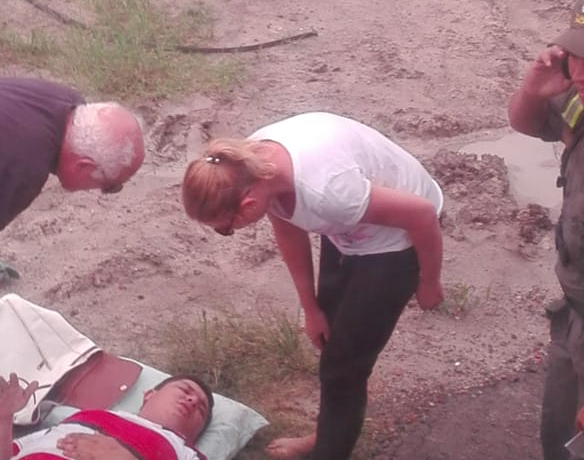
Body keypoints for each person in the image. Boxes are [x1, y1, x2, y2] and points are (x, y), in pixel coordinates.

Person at [181, 111, 444, 460]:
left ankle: (329, 451)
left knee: (344, 369)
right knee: (332, 341)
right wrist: (311, 308)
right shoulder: (252, 164)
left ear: (247, 206)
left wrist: (429, 281)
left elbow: (422, 214)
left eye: (224, 228)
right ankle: (327, 433)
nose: (227, 233)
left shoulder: (327, 191)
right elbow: (288, 228)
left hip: (396, 242)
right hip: (348, 229)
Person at [508, 0, 584, 460]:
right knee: (558, 438)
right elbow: (527, 122)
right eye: (577, 55)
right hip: (575, 311)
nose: (579, 72)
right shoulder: (579, 97)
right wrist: (534, 92)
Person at [0, 77, 145, 235]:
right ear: (83, 166)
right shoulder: (24, 169)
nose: (98, 190)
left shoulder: (67, 99)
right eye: (109, 187)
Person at [0, 372, 213, 460]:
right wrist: (4, 417)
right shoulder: (86, 416)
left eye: (201, 410)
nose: (193, 401)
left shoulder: (186, 452)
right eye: (185, 390)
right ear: (149, 395)